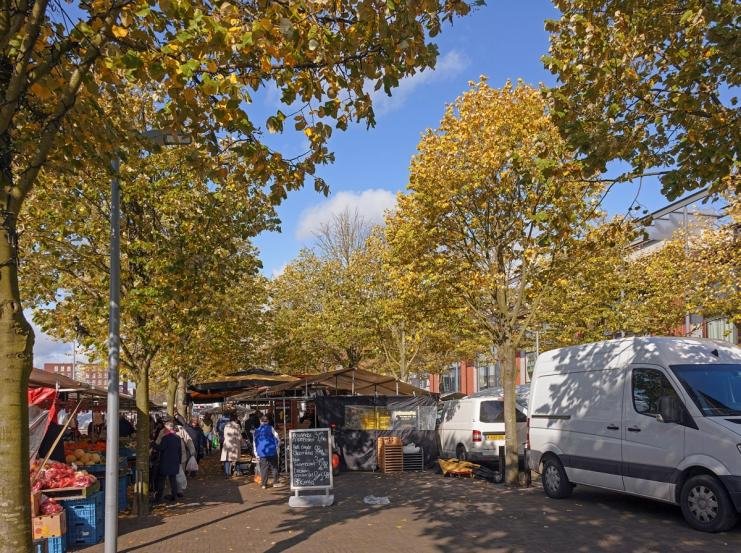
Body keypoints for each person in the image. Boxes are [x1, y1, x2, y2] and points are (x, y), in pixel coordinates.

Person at [155, 422, 182, 502]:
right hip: (175, 461)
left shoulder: (165, 438)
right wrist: (179, 461)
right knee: (173, 479)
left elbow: (161, 448)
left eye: (165, 429)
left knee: (162, 480)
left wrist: (153, 444)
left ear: (168, 429)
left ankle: (158, 497)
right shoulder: (177, 438)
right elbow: (179, 451)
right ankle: (174, 496)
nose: (164, 430)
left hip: (165, 462)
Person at [253, 415, 280, 489]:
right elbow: (277, 438)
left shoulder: (256, 430)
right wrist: (277, 447)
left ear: (260, 421)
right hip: (272, 451)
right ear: (267, 421)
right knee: (274, 467)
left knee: (263, 468)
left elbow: (254, 442)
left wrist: (256, 453)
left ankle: (264, 484)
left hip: (262, 452)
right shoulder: (271, 428)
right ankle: (275, 482)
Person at [220, 414, 242, 479]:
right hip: (234, 444)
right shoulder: (237, 426)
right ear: (235, 419)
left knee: (227, 459)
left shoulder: (226, 426)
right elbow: (239, 436)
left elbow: (224, 435)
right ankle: (237, 471)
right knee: (236, 458)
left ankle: (227, 474)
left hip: (227, 444)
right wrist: (241, 441)